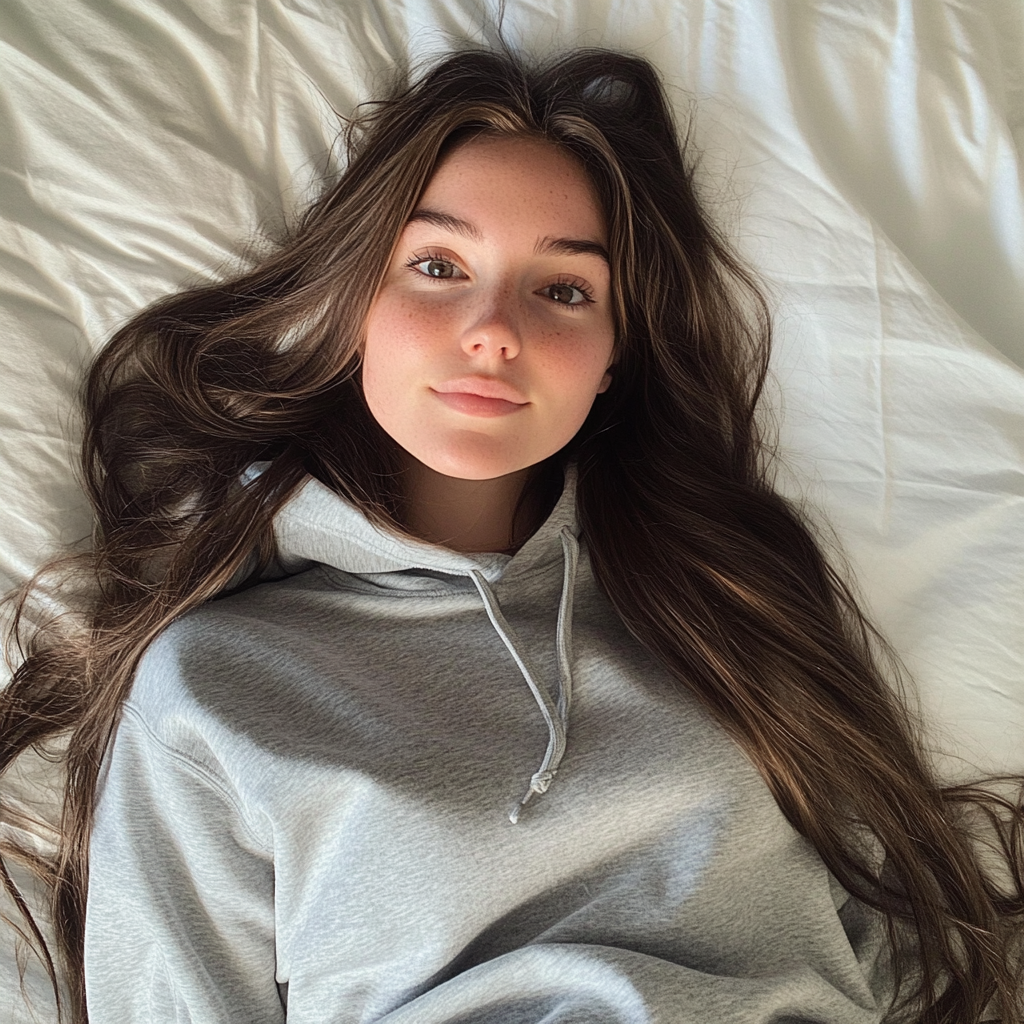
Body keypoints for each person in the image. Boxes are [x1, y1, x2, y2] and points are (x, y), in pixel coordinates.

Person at [1, 44, 1022, 1024]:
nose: (494, 327)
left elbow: (885, 941)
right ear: (354, 301)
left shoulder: (726, 610)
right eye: (439, 265)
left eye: (564, 289)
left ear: (614, 354)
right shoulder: (214, 690)